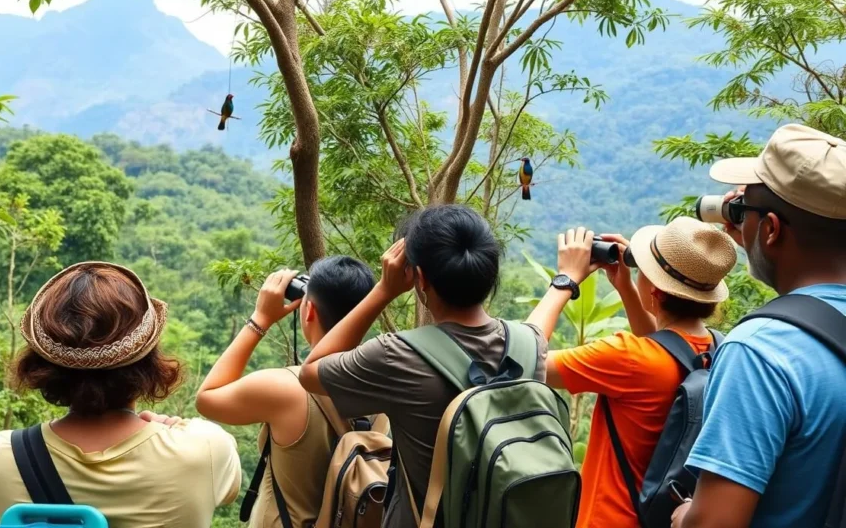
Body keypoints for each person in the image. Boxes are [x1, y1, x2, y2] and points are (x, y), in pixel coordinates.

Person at [298, 204, 549, 528]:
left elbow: (310, 372)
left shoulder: (397, 355)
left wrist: (384, 290)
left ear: (419, 278)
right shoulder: (530, 345)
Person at [0, 262, 241, 528]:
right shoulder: (202, 448)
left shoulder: (3, 455)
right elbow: (230, 489)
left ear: (42, 366)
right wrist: (175, 428)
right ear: (148, 360)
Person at [671, 124, 846, 528]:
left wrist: (684, 518)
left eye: (744, 213)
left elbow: (714, 524)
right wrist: (759, 240)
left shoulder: (761, 351)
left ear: (771, 229)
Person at [522, 219, 737, 528]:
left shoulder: (628, 357)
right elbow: (664, 346)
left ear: (656, 291)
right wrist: (626, 285)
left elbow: (524, 358)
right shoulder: (719, 350)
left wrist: (565, 280)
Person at [195, 256, 376, 527]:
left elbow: (207, 398)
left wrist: (260, 319)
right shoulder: (386, 380)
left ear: (308, 310)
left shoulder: (286, 388)